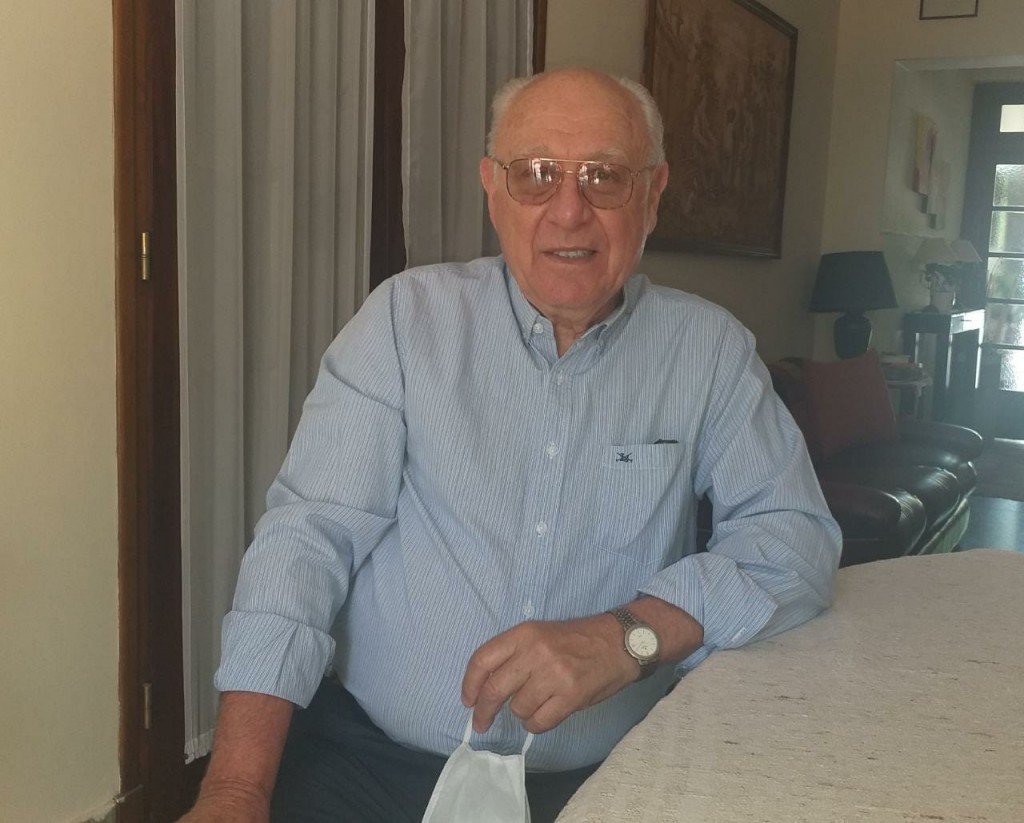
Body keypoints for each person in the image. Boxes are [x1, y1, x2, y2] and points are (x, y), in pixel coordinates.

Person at [182, 67, 841, 823]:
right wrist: (235, 790)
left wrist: (628, 635)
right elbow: (308, 539)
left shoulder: (710, 350)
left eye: (604, 176)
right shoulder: (404, 321)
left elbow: (795, 538)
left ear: (653, 194)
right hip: (371, 767)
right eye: (535, 174)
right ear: (492, 189)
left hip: (603, 781)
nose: (569, 210)